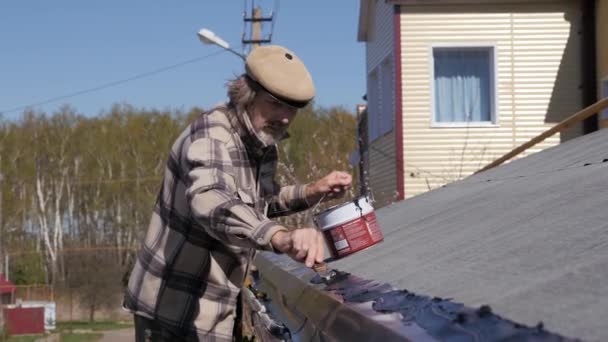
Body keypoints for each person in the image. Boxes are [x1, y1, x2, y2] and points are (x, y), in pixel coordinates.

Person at [123, 45, 352, 341]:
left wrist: (311, 191)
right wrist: (280, 236)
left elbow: (261, 204)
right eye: (275, 104)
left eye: (292, 109)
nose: (284, 118)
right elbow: (211, 199)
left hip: (217, 309)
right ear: (247, 93)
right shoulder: (211, 136)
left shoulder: (259, 142)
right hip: (173, 312)